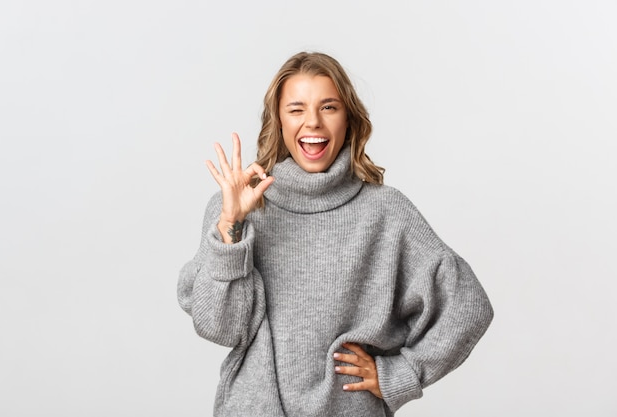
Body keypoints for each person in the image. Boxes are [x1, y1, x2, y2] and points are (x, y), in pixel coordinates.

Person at [178, 51, 493, 417]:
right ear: (278, 121)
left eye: (328, 107)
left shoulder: (385, 212)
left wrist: (401, 374)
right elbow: (220, 328)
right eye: (296, 109)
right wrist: (230, 226)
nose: (312, 122)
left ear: (349, 119)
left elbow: (468, 306)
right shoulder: (237, 208)